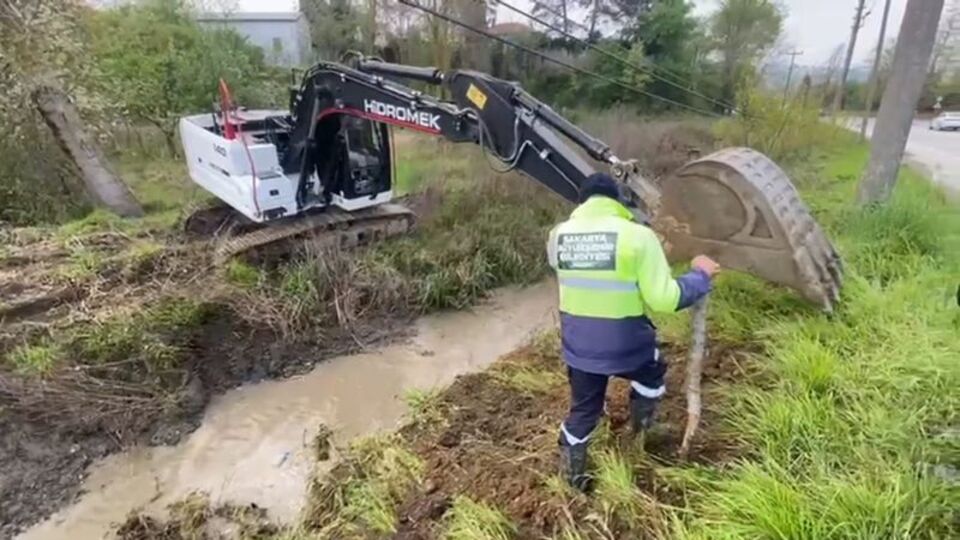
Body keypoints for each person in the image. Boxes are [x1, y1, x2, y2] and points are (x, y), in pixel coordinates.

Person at [546, 172, 719, 491]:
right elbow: (665, 299)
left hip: (579, 347)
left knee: (583, 411)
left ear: (582, 202)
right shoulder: (639, 236)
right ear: (618, 200)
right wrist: (700, 276)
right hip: (627, 345)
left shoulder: (558, 236)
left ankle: (572, 481)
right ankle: (641, 433)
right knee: (651, 377)